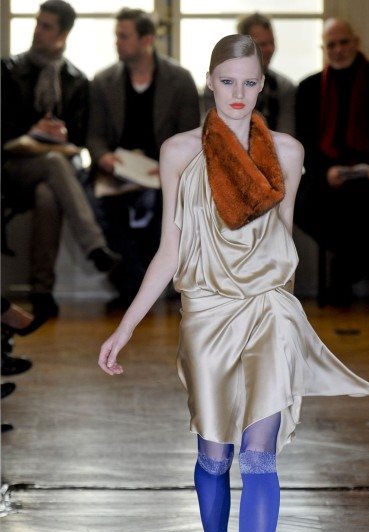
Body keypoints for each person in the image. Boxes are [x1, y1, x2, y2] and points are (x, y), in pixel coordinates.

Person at [98, 34, 369, 532]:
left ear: (262, 85)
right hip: (205, 312)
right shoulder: (180, 152)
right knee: (213, 455)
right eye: (228, 81)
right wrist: (126, 327)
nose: (238, 93)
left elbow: (283, 241)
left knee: (259, 457)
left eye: (250, 83)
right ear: (209, 81)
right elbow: (170, 249)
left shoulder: (287, 152)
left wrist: (281, 308)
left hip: (268, 310)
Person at [1, 0, 120, 321]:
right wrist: (33, 134)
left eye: (46, 26)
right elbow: (4, 136)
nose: (37, 31)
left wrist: (60, 137)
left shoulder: (76, 80)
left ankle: (42, 293)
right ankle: (94, 245)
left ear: (63, 34)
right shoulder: (8, 70)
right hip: (14, 166)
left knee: (48, 195)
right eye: (37, 23)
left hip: (54, 173)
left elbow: (79, 143)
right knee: (54, 162)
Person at [87, 7, 200, 310]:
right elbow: (94, 136)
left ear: (147, 40)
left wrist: (166, 169)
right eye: (117, 36)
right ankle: (134, 284)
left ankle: (147, 286)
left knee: (169, 207)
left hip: (165, 171)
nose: (117, 42)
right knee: (97, 205)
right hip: (118, 170)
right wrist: (104, 158)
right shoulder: (103, 81)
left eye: (124, 36)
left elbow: (191, 138)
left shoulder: (179, 80)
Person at [295, 18, 369, 306]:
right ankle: (360, 266)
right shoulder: (309, 87)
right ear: (323, 49)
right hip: (326, 175)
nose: (338, 50)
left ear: (356, 42)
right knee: (303, 204)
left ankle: (343, 274)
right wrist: (326, 171)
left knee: (368, 205)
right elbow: (305, 140)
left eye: (343, 42)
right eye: (331, 45)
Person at [204, 13, 296, 135]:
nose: (269, 50)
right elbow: (213, 131)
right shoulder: (217, 83)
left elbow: (286, 134)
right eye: (262, 44)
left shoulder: (283, 87)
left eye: (272, 43)